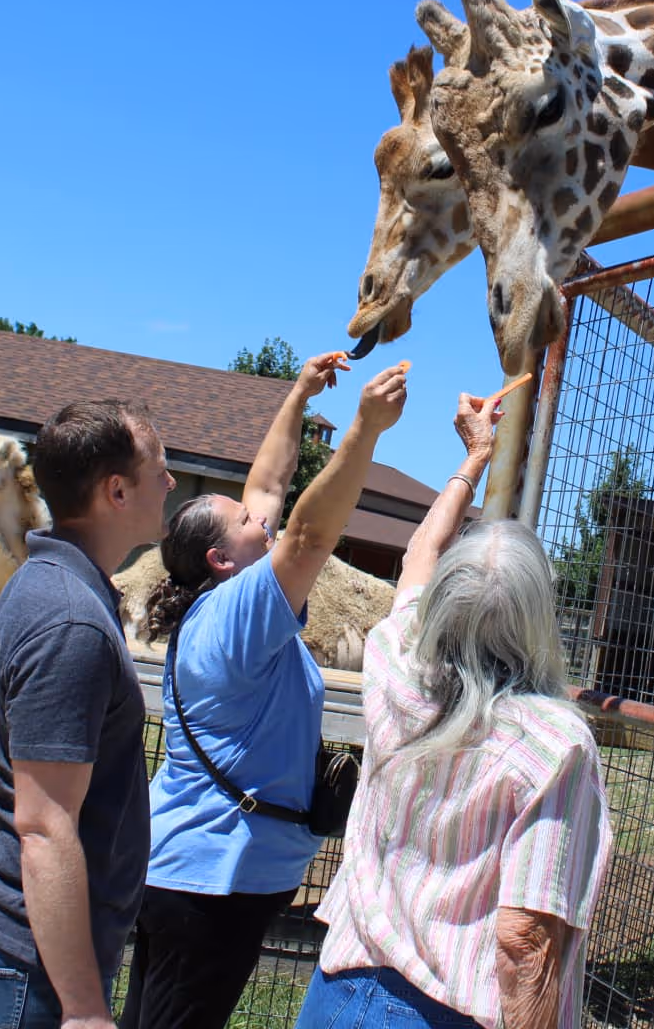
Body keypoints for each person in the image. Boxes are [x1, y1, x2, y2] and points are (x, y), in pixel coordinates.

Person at [296, 394, 613, 1029]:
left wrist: (474, 458)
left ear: (445, 601)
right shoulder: (556, 746)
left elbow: (418, 556)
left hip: (336, 995)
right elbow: (525, 943)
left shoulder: (394, 664)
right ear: (537, 621)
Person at [119, 355, 408, 1029]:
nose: (264, 524)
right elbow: (308, 531)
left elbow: (269, 484)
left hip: (193, 868)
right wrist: (364, 429)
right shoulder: (236, 615)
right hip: (213, 881)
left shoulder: (218, 603)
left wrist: (299, 396)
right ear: (223, 559)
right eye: (248, 526)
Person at [0, 399, 178, 1029]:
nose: (172, 481)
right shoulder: (70, 621)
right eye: (160, 467)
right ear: (117, 491)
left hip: (29, 945)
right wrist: (82, 1011)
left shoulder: (55, 583)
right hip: (32, 963)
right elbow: (44, 827)